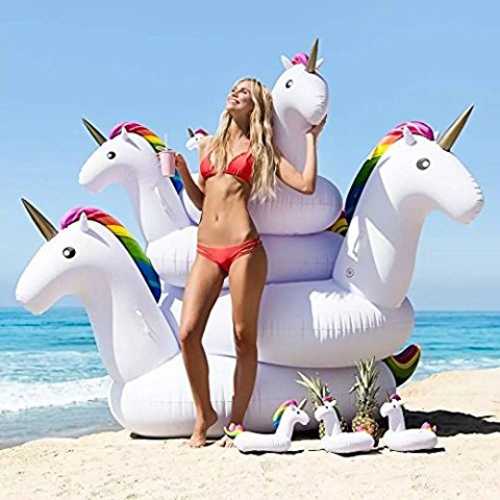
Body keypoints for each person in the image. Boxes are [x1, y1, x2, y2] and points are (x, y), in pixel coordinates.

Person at [173, 77, 326, 447]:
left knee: (244, 337)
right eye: (233, 89)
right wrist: (182, 171)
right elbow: (202, 201)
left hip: (245, 249)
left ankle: (236, 421)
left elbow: (306, 185)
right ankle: (204, 414)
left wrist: (311, 139)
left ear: (255, 106)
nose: (234, 94)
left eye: (243, 92)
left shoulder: (263, 151)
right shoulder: (209, 145)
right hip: (206, 250)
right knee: (188, 333)